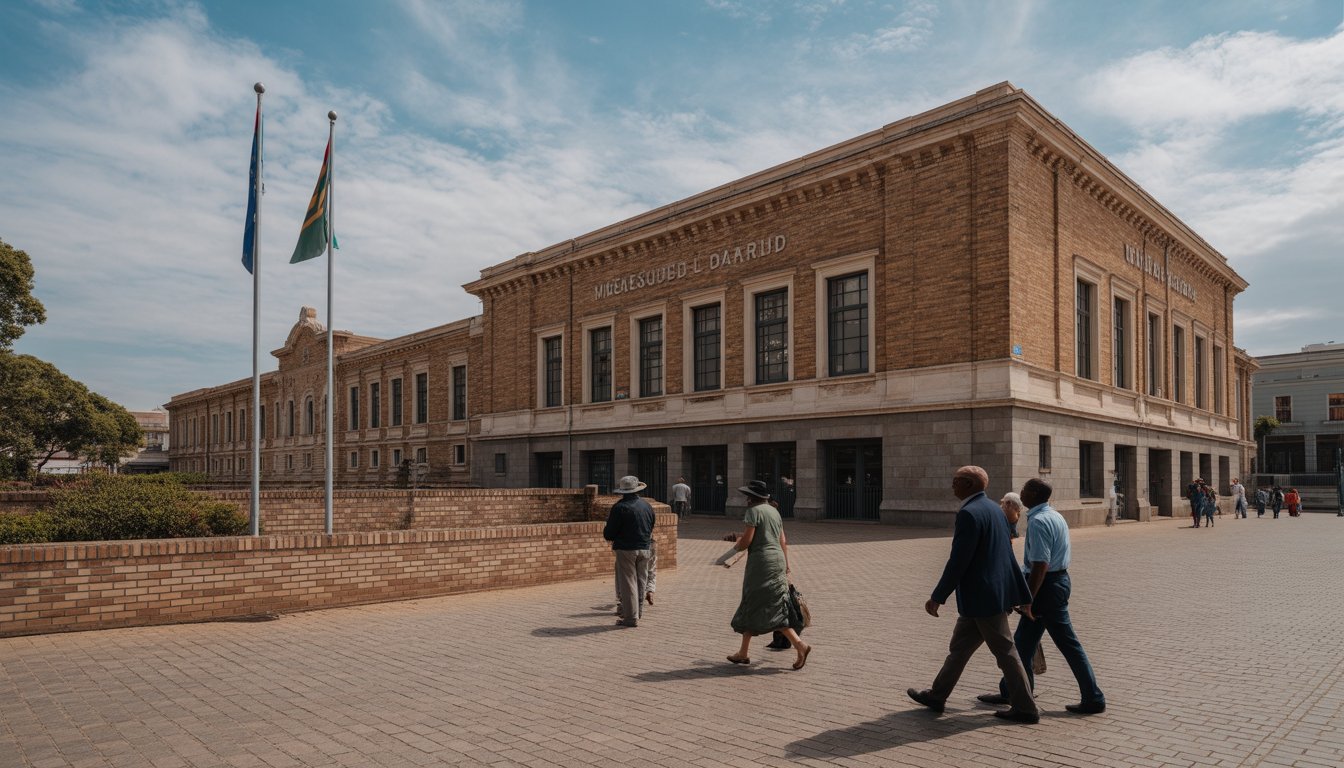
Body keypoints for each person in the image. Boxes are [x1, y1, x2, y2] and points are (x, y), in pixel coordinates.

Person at [907, 466, 1039, 724]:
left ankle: (1025, 707)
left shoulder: (969, 513)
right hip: (987, 597)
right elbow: (1006, 556)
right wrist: (1017, 592)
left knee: (1005, 652)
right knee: (959, 649)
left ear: (969, 485)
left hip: (983, 599)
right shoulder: (994, 509)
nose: (952, 485)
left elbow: (959, 561)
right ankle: (937, 695)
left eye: (956, 481)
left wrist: (938, 596)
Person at [979, 478, 1106, 716]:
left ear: (1035, 493)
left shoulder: (1038, 521)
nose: (1021, 492)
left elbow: (1040, 564)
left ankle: (1093, 697)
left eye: (1025, 489)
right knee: (1023, 645)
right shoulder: (1055, 515)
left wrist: (1028, 599)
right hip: (1057, 582)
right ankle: (1013, 692)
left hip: (1045, 588)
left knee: (1068, 644)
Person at [725, 479, 811, 670]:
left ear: (753, 498)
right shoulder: (774, 512)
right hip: (778, 560)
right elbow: (783, 540)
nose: (746, 500)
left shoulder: (753, 512)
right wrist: (786, 564)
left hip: (761, 563)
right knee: (764, 604)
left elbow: (747, 541)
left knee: (755, 602)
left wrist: (732, 551)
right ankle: (743, 653)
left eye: (748, 496)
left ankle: (800, 645)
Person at [603, 475, 655, 627]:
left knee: (628, 584)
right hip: (645, 547)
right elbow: (651, 525)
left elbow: (609, 533)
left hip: (626, 549)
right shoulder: (646, 506)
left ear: (622, 492)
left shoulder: (619, 507)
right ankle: (638, 613)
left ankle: (631, 618)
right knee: (641, 581)